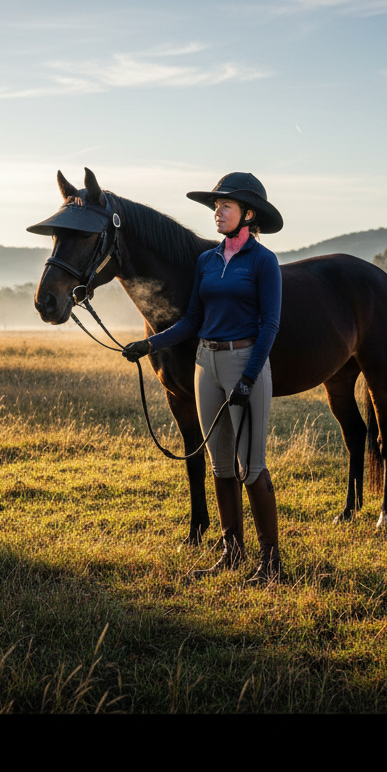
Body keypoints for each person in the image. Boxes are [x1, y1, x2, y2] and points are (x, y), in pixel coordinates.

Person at [122, 173, 285, 584]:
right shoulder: (207, 261)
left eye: (225, 206)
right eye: (215, 207)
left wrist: (249, 377)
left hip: (244, 361)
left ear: (248, 214)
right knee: (220, 466)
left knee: (251, 467)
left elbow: (270, 325)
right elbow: (194, 319)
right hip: (205, 365)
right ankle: (232, 552)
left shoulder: (263, 262)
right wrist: (148, 345)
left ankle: (271, 563)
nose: (217, 213)